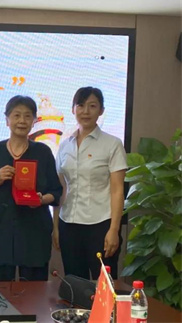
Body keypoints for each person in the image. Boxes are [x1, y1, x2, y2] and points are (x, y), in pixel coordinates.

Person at [0, 95, 62, 282]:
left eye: (27, 116)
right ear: (7, 120)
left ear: (34, 121)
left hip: (34, 230)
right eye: (16, 115)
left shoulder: (43, 152)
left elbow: (56, 193)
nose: (22, 121)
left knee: (34, 290)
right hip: (1, 230)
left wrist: (41, 199)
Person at [53, 87, 127, 280]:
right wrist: (56, 227)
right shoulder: (65, 145)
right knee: (74, 284)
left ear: (101, 111)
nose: (86, 111)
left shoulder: (112, 144)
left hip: (100, 225)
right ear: (73, 109)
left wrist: (114, 229)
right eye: (80, 105)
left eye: (92, 106)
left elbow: (117, 190)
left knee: (104, 285)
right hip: (69, 224)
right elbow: (60, 188)